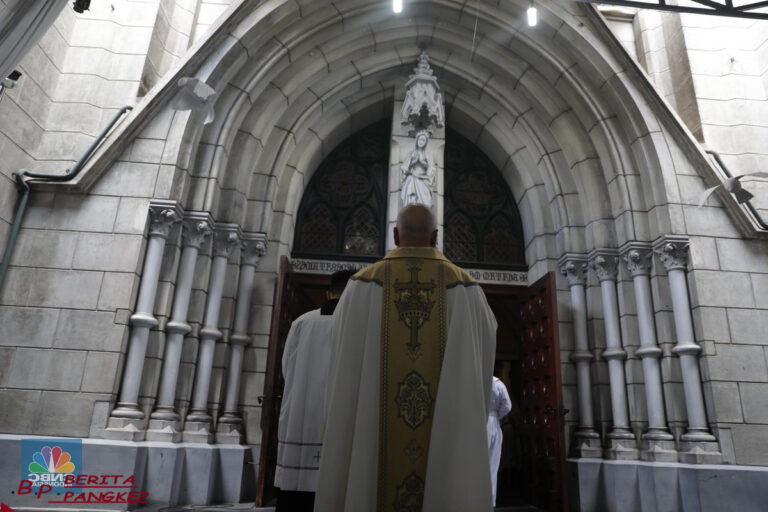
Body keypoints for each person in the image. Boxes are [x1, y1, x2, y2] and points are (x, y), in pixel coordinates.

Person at [315, 204, 498, 512]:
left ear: (395, 234)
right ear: (436, 237)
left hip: (372, 449)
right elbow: (480, 365)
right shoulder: (467, 289)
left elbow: (341, 371)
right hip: (445, 440)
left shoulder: (360, 287)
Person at [274, 270, 355, 512]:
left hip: (302, 414)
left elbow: (287, 368)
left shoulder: (302, 322)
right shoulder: (362, 324)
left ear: (329, 293)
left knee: (296, 495)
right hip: (343, 416)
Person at [488, 374, 512, 507]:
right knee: (492, 465)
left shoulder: (477, 383)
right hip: (494, 421)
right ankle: (490, 502)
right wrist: (497, 416)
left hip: (478, 421)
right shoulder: (499, 384)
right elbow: (507, 406)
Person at [400, 129, 436, 208]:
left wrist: (423, 163)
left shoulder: (428, 155)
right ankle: (411, 204)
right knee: (410, 180)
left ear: (425, 143)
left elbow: (432, 169)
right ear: (417, 141)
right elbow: (404, 168)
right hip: (413, 175)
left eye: (423, 140)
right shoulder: (411, 154)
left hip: (424, 178)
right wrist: (414, 162)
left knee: (425, 202)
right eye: (420, 140)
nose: (421, 142)